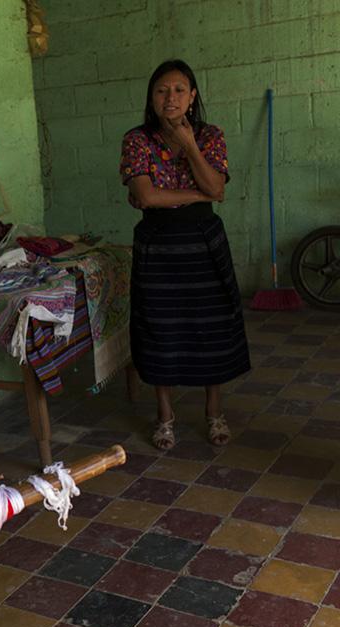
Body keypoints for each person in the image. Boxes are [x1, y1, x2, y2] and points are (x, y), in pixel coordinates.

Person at [119, 59, 251, 451]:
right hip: (158, 244)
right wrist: (201, 194)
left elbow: (216, 183)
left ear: (192, 97)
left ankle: (214, 411)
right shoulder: (137, 140)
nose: (170, 97)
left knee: (212, 327)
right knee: (160, 328)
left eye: (179, 90)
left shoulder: (210, 136)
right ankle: (165, 416)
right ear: (152, 98)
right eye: (162, 91)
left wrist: (190, 145)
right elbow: (145, 196)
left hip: (203, 242)